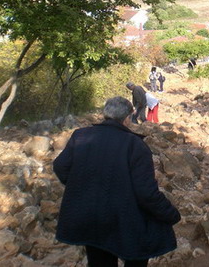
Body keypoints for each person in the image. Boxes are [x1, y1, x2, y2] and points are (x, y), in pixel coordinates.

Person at [53, 97, 181, 267]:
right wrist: (170, 214)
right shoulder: (135, 145)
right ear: (127, 118)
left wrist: (82, 185)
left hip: (91, 215)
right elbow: (146, 193)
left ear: (105, 114)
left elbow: (60, 166)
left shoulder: (81, 136)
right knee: (139, 251)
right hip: (123, 219)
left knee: (99, 260)